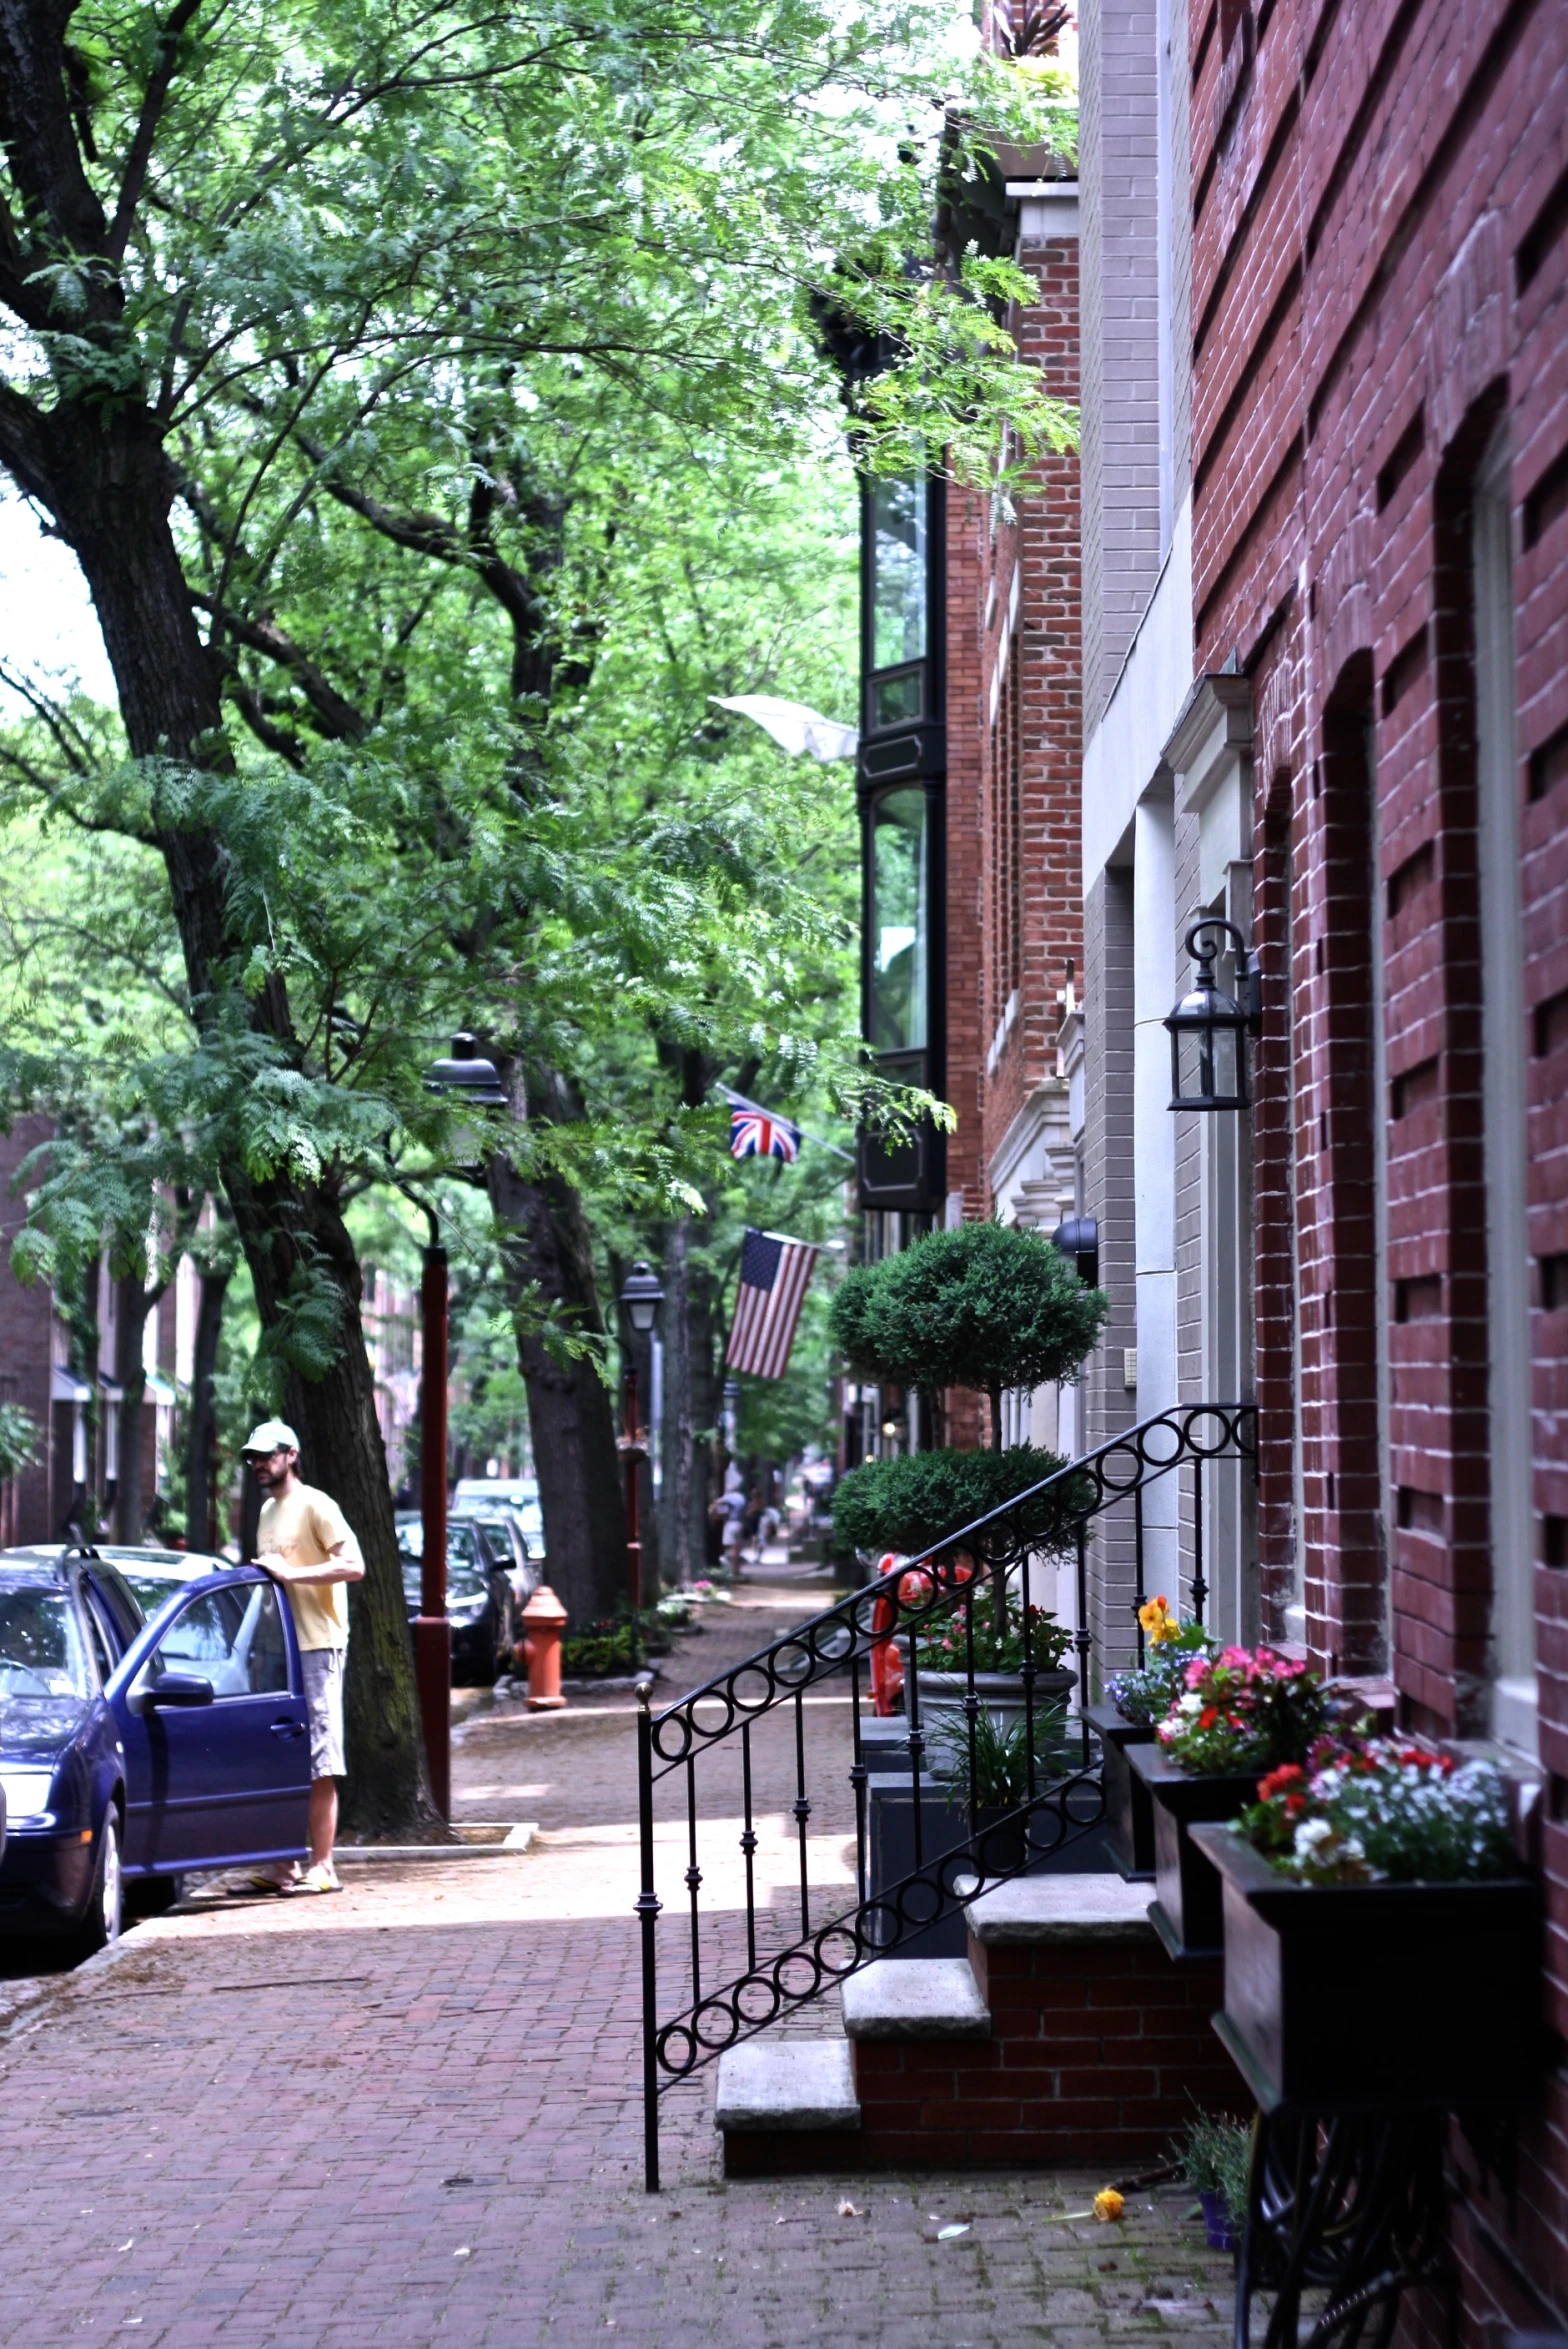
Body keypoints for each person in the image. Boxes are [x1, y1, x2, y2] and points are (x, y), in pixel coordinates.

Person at [241, 1418, 364, 1895]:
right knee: (281, 1756)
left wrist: (294, 1576)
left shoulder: (317, 1504)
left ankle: (324, 1865)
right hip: (280, 1650)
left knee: (319, 1757)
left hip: (318, 1646)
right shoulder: (267, 1512)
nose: (257, 1464)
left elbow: (354, 1566)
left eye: (266, 1455)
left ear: (291, 1454)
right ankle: (283, 1864)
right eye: (252, 1457)